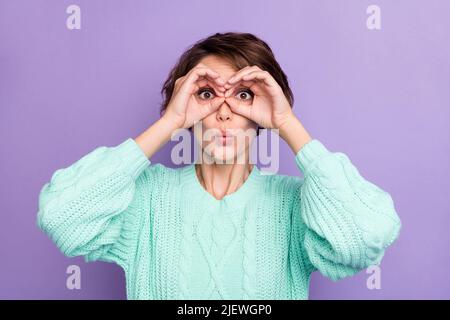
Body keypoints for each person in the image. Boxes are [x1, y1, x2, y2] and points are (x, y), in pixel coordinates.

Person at [37, 32, 401, 300]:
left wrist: (288, 124)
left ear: (263, 113)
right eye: (207, 94)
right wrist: (169, 123)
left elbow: (365, 237)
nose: (225, 111)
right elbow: (61, 216)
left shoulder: (296, 206)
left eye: (244, 96)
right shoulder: (145, 200)